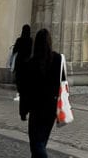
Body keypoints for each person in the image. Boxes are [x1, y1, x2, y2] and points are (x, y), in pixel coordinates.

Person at [17, 28, 63, 158]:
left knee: (36, 143)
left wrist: (23, 111)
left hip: (36, 109)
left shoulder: (30, 63)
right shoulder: (58, 59)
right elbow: (62, 81)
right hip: (51, 108)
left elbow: (24, 90)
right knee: (41, 142)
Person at [11, 24, 32, 100]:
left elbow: (14, 50)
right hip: (27, 62)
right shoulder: (30, 40)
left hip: (19, 62)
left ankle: (19, 94)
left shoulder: (19, 40)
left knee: (19, 79)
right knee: (25, 79)